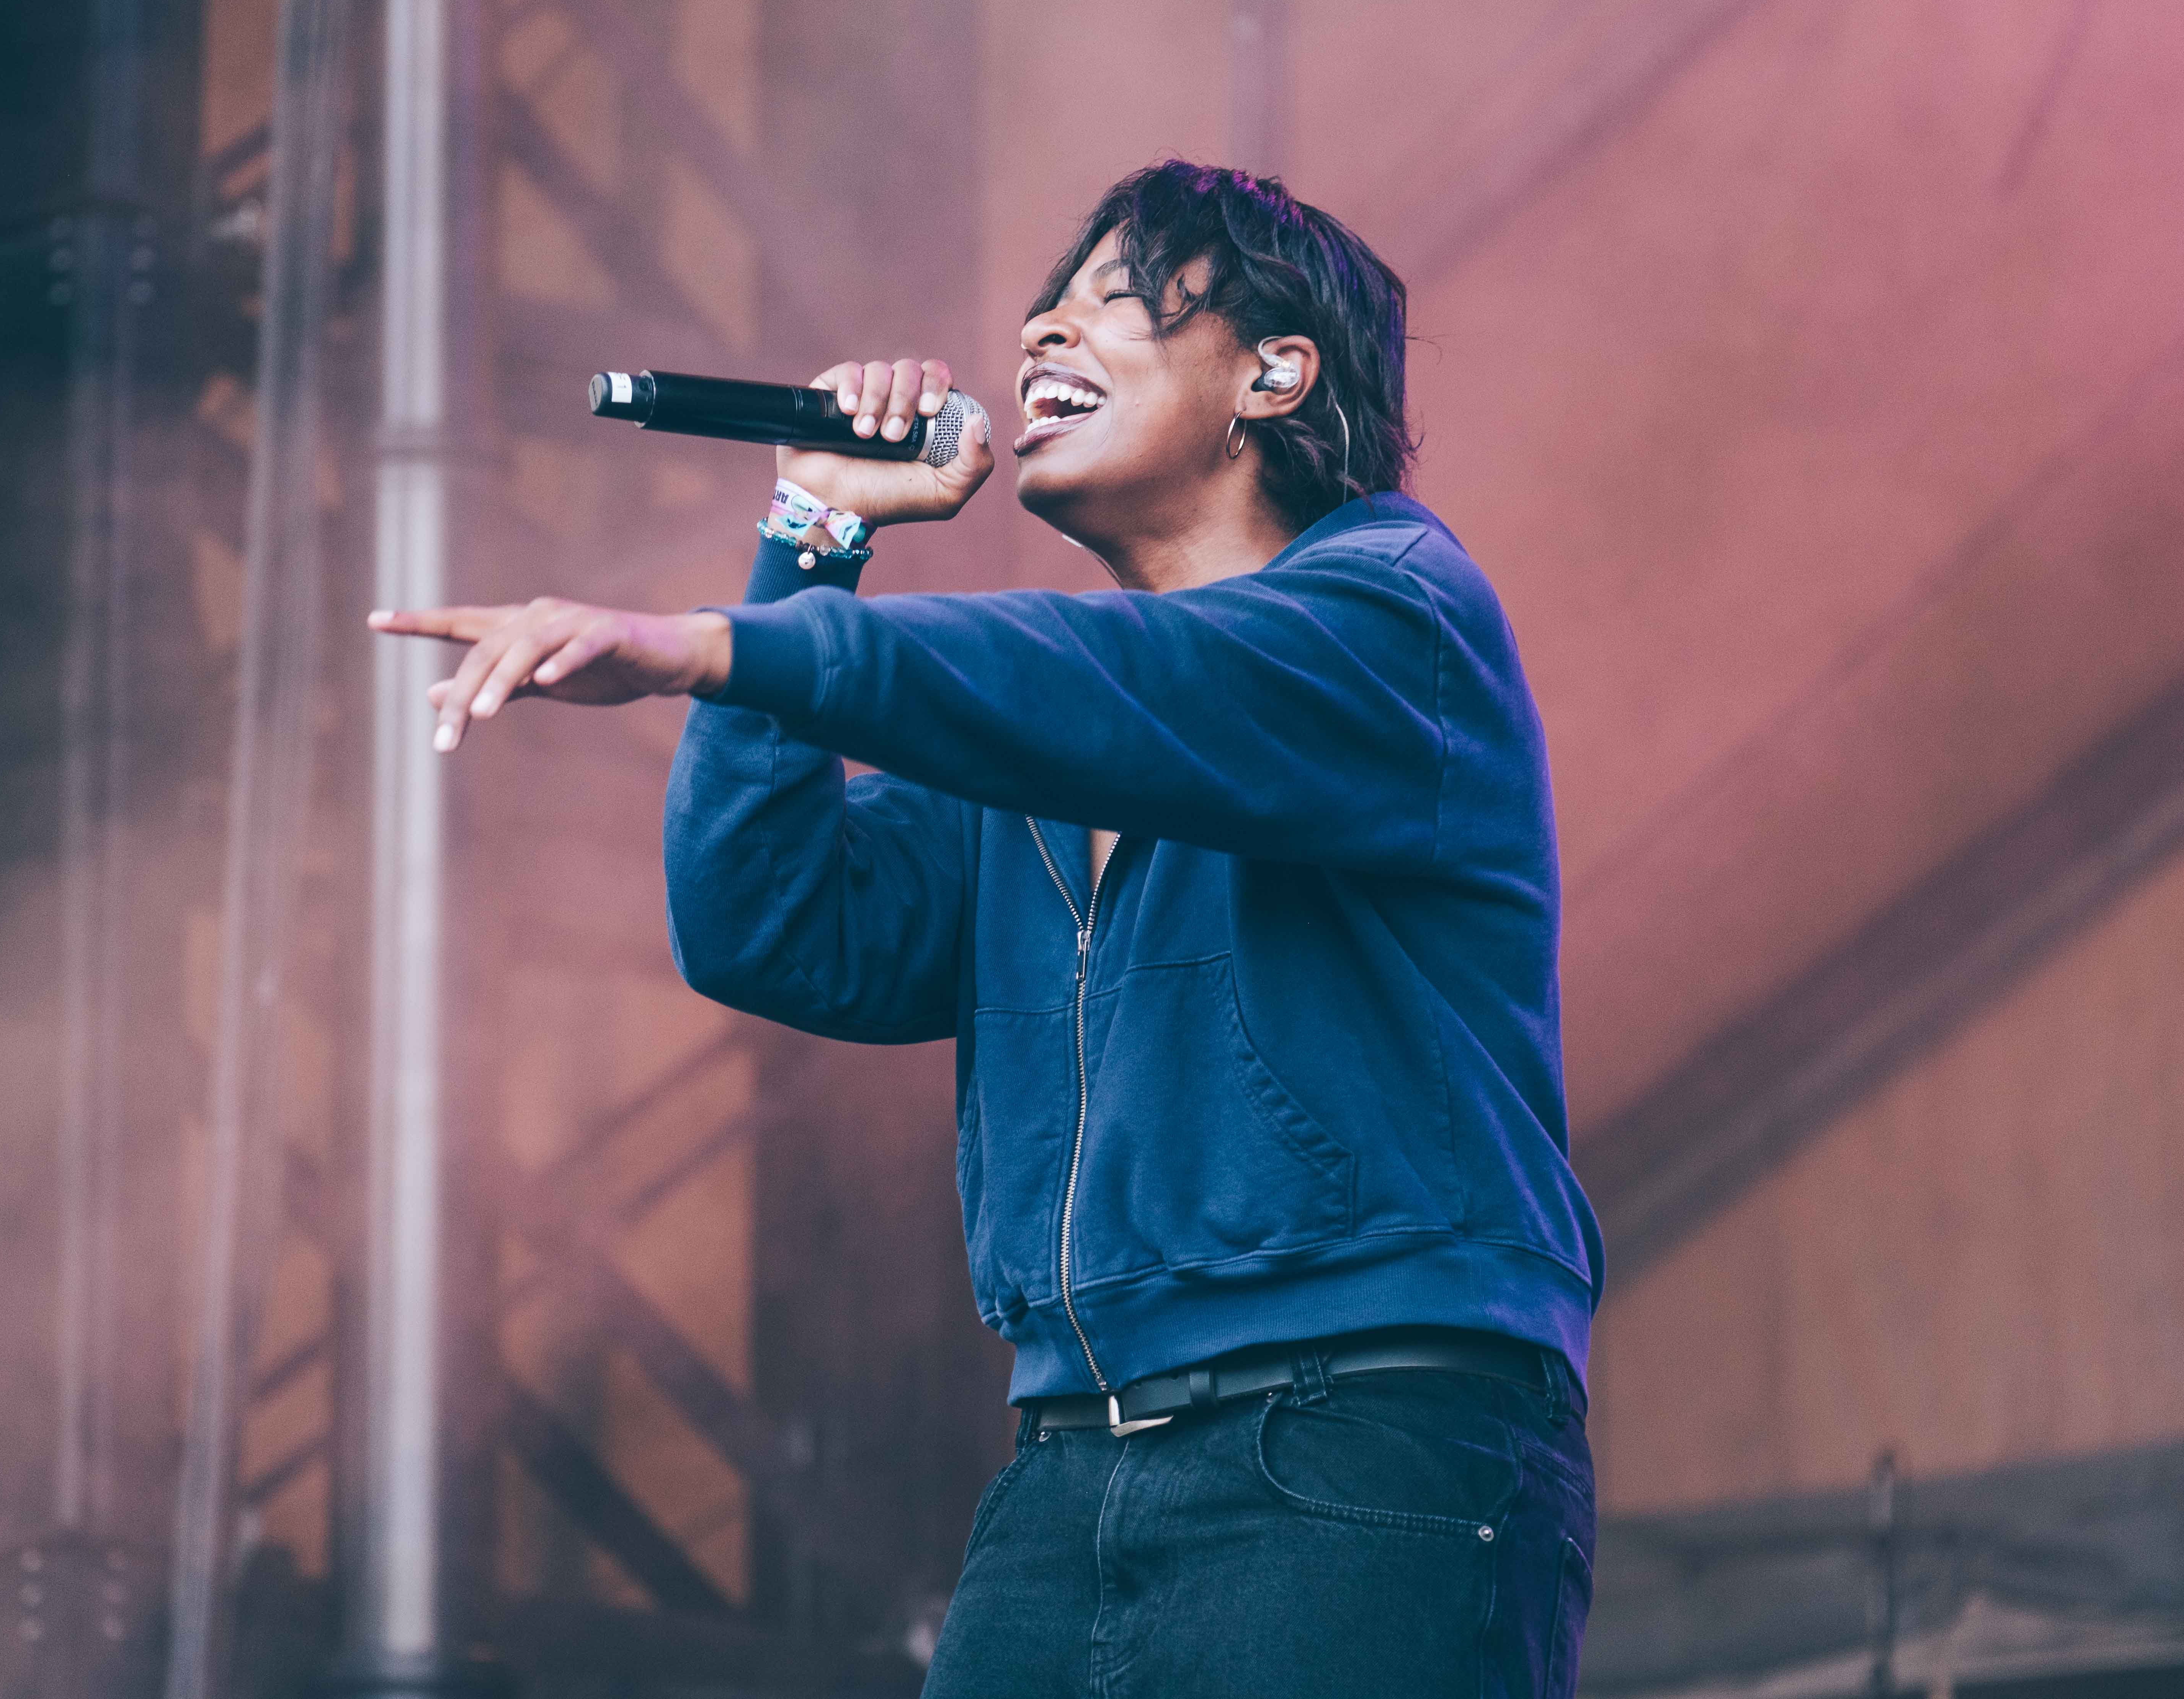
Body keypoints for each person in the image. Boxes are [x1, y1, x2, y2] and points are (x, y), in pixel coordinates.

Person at [372, 161, 1602, 1697]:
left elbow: (1125, 691)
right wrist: (812, 527)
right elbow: (771, 922)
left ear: (1273, 372)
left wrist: (712, 647)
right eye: (1039, 312)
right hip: (1066, 1467)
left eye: (1111, 298)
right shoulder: (1037, 755)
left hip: (1360, 1433)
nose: (1038, 336)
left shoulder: (1395, 615)